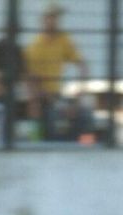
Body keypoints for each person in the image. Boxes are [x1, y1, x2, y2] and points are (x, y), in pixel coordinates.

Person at [24, 2, 85, 135]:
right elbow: (31, 80)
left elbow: (81, 65)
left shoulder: (63, 39)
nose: (56, 21)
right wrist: (52, 101)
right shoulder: (35, 47)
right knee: (53, 119)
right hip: (43, 99)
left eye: (57, 17)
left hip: (58, 96)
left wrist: (79, 94)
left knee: (84, 116)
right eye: (52, 17)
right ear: (43, 19)